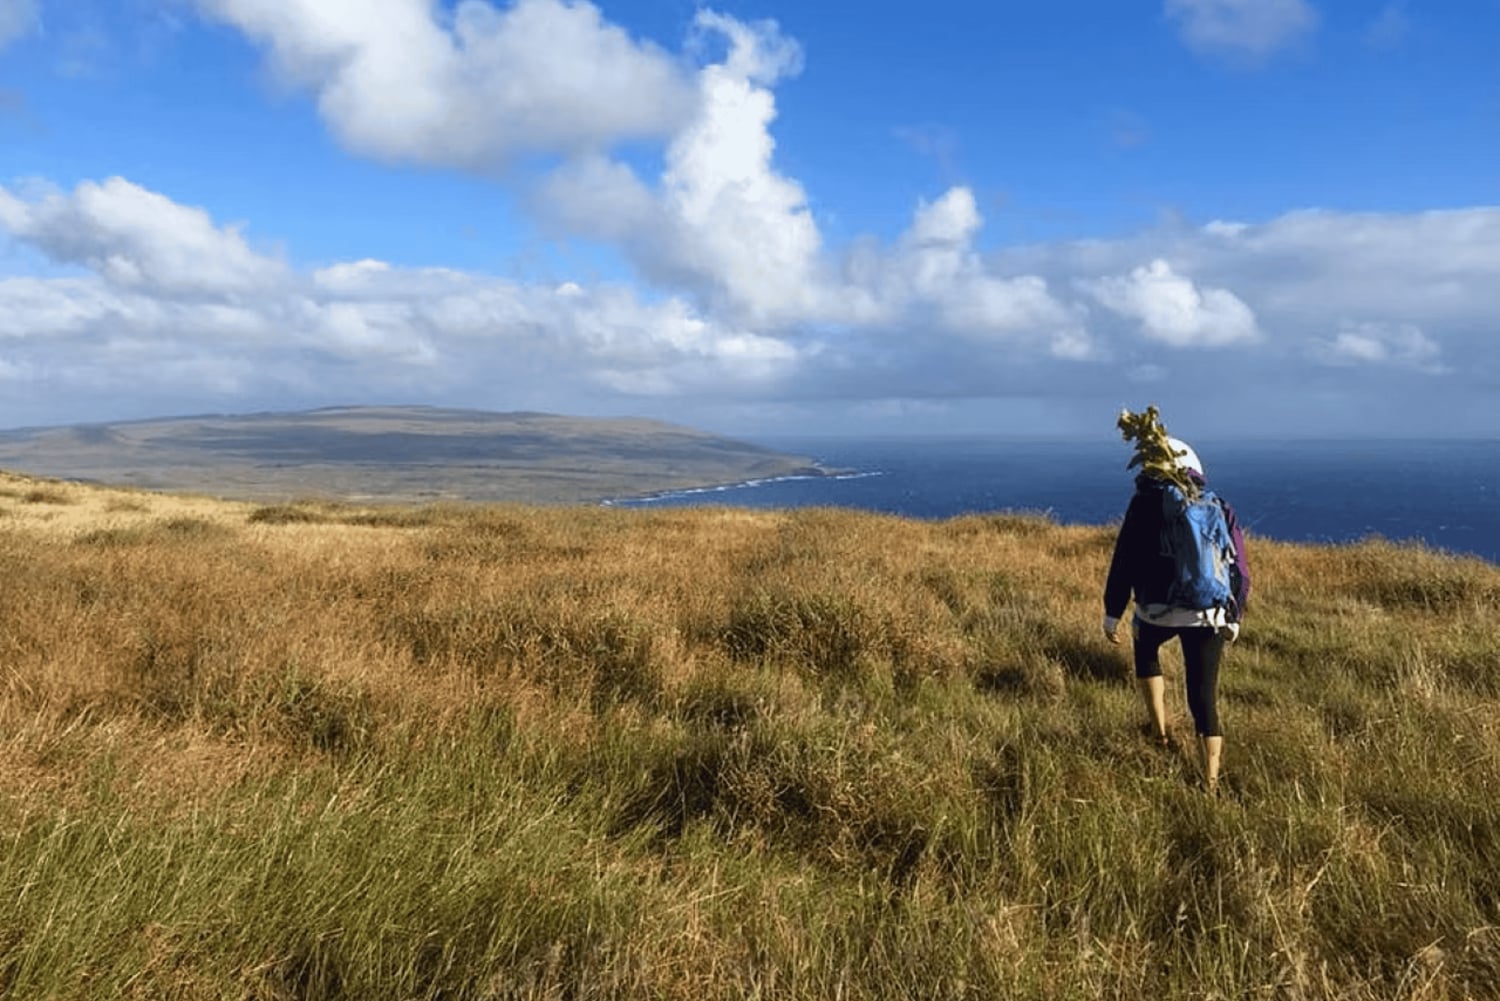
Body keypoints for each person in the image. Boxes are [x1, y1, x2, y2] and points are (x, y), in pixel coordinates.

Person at [1102, 437, 1250, 792]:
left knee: (1145, 650)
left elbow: (1125, 559)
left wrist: (1113, 611)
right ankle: (1209, 782)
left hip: (1156, 612)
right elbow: (1239, 568)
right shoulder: (1217, 504)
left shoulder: (1143, 504)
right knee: (1203, 696)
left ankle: (1159, 731)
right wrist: (1235, 614)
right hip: (1209, 614)